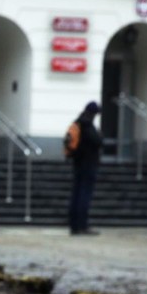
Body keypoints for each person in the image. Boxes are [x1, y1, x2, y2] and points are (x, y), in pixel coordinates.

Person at [65, 100, 102, 236]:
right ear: (92, 113)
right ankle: (82, 226)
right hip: (87, 164)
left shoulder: (78, 123)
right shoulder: (87, 125)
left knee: (76, 194)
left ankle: (74, 225)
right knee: (84, 195)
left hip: (78, 163)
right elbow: (98, 141)